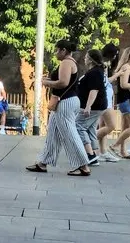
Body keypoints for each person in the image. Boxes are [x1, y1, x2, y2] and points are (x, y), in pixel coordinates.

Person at [27, 40, 91, 175]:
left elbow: (63, 83)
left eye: (57, 50)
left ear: (63, 50)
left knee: (69, 133)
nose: (55, 53)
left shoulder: (66, 63)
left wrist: (46, 82)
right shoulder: (70, 62)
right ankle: (43, 163)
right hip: (67, 102)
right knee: (53, 134)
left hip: (65, 103)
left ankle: (83, 165)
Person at [76, 49, 108, 165]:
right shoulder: (97, 71)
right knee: (90, 128)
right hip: (98, 106)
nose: (84, 58)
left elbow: (93, 90)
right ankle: (94, 153)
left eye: (86, 57)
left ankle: (90, 155)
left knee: (78, 126)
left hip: (94, 106)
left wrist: (88, 106)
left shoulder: (95, 72)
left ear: (90, 59)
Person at [111, 47, 130, 160]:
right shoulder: (126, 68)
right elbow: (124, 84)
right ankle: (114, 146)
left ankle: (124, 151)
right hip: (126, 100)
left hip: (125, 100)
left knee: (125, 127)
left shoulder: (126, 67)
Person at [95, 44, 121, 162]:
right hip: (105, 96)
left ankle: (103, 151)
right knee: (111, 125)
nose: (116, 56)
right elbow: (106, 81)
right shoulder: (103, 65)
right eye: (115, 54)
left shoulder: (107, 64)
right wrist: (117, 75)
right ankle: (86, 140)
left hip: (107, 95)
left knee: (103, 125)